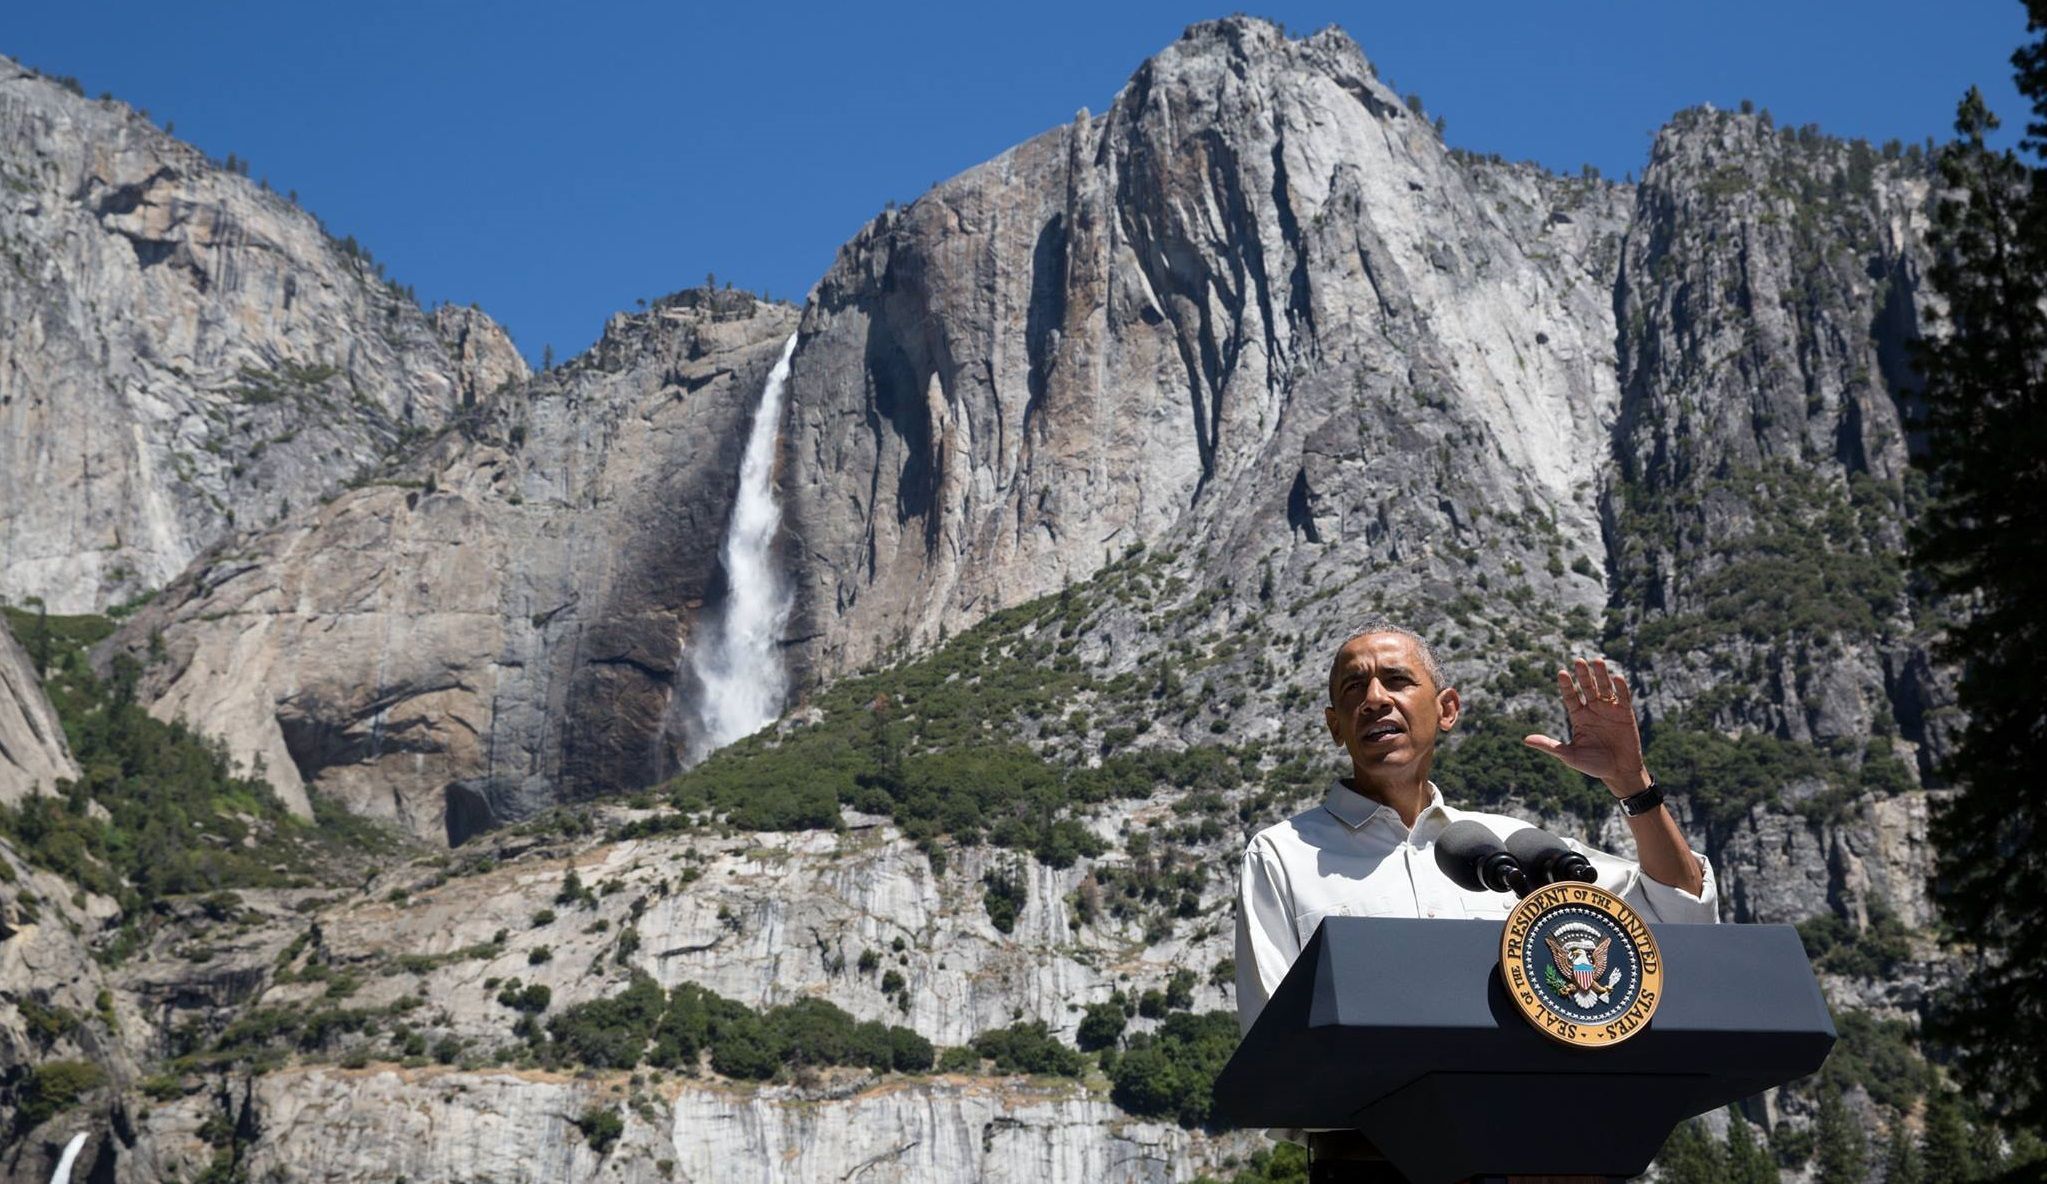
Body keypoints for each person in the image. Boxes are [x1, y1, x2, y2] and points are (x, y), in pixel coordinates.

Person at [1234, 622, 1718, 1034]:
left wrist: (1631, 782)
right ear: (1335, 725)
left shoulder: (1521, 850)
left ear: (1447, 710)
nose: (1374, 700)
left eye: (1397, 680)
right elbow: (1274, 1042)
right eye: (1353, 688)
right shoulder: (1282, 856)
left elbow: (1679, 915)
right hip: (1368, 1143)